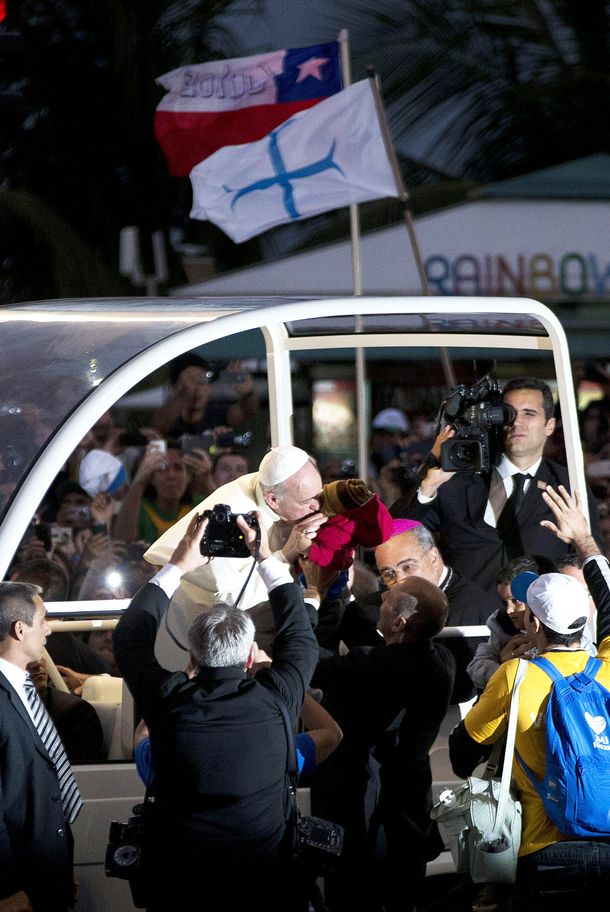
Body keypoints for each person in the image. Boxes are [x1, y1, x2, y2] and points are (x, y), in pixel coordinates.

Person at [113, 512, 318, 912]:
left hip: (183, 887)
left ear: (192, 656)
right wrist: (266, 559)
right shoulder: (277, 699)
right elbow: (300, 636)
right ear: (248, 659)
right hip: (266, 885)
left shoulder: (170, 701)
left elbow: (129, 636)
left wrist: (179, 566)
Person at [449, 485, 610, 906]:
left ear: (535, 626)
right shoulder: (609, 667)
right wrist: (585, 541)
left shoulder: (515, 676)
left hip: (545, 850)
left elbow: (462, 750)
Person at [310, 575, 455, 912]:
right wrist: (343, 600)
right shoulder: (441, 661)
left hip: (365, 802)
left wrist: (310, 598)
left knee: (355, 895)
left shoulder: (374, 666)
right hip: (410, 804)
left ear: (400, 621)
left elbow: (314, 668)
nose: (383, 597)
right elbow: (384, 648)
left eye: (389, 600)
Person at [393, 377, 605, 598]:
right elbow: (394, 532)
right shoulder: (455, 479)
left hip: (539, 622)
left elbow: (592, 560)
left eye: (529, 414)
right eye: (508, 413)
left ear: (549, 425)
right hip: (468, 622)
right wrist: (428, 483)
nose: (516, 422)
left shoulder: (567, 483)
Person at [143, 444, 327, 666]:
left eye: (320, 494)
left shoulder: (275, 487)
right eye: (308, 502)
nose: (318, 506)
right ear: (272, 500)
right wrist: (287, 554)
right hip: (197, 639)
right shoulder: (236, 512)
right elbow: (229, 600)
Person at [335, 519, 496, 703]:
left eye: (408, 567)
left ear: (434, 559)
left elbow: (460, 689)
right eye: (388, 574)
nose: (400, 581)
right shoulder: (376, 603)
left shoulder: (472, 609)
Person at [0, 581, 82, 912]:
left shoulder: (23, 686)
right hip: (16, 884)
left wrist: (57, 873)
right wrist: (6, 888)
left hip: (43, 871)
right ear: (20, 629)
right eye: (43, 619)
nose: (48, 629)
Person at [152, 353, 258, 439]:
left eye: (203, 381)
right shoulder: (169, 416)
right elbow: (159, 426)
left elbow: (247, 411)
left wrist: (248, 393)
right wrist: (183, 394)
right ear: (174, 387)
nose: (198, 388)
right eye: (192, 380)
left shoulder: (218, 413)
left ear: (210, 387)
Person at [26, 656, 104, 764]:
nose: (37, 663)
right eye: (20, 654)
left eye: (39, 651)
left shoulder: (74, 713)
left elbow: (81, 777)